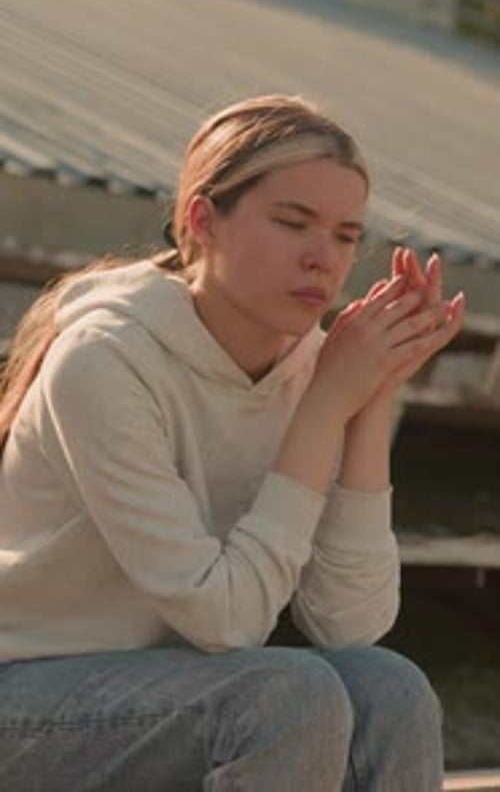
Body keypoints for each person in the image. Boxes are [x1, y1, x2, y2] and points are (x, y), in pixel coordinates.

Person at [0, 94, 464, 791]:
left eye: (345, 235)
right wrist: (324, 408)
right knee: (285, 695)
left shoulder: (314, 366)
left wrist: (373, 399)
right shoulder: (104, 359)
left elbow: (350, 625)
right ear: (201, 221)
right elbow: (227, 621)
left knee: (387, 684)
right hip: (30, 698)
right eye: (292, 222)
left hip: (180, 689)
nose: (323, 259)